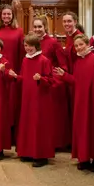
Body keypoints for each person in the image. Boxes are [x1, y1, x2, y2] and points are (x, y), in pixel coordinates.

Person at [54, 35, 94, 172]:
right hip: (80, 100)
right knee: (82, 128)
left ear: (87, 44)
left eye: (81, 44)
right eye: (76, 46)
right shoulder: (77, 62)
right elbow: (76, 81)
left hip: (93, 99)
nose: (79, 48)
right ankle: (83, 158)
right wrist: (64, 76)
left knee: (93, 127)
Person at [15, 33, 55, 168]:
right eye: (26, 45)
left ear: (36, 46)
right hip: (27, 97)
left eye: (31, 45)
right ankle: (27, 151)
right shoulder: (25, 60)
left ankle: (41, 155)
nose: (28, 48)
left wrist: (41, 79)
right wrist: (15, 76)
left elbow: (50, 80)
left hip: (40, 98)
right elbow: (24, 77)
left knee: (38, 125)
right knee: (27, 122)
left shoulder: (44, 60)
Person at [32, 15, 70, 150]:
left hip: (49, 83)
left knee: (50, 116)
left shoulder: (53, 43)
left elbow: (62, 65)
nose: (37, 29)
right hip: (35, 83)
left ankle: (53, 143)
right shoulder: (32, 42)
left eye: (39, 27)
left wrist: (55, 79)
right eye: (35, 27)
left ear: (45, 27)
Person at [0, 6, 25, 137]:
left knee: (11, 101)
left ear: (12, 15)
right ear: (1, 15)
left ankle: (10, 131)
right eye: (4, 14)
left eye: (9, 14)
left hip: (12, 68)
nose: (6, 17)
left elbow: (22, 52)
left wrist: (19, 71)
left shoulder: (19, 31)